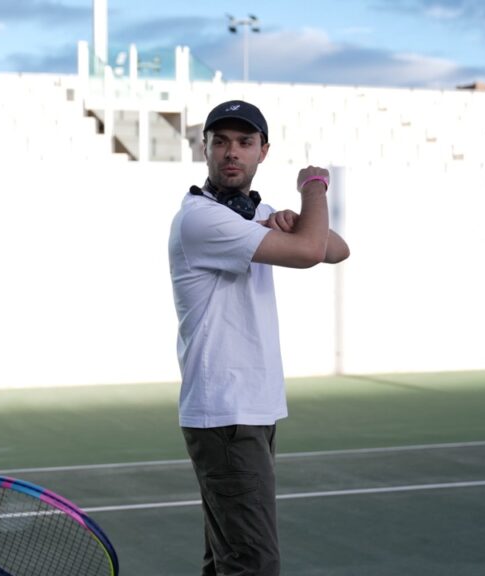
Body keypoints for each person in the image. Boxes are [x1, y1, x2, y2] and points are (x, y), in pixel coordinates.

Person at [168, 100, 350, 576]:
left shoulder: (251, 214)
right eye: (221, 141)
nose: (232, 152)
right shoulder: (202, 219)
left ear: (262, 151)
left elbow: (336, 248)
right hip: (227, 414)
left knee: (227, 562)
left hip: (249, 410)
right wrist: (314, 185)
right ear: (203, 148)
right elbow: (313, 249)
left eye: (245, 143)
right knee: (254, 566)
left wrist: (290, 216)